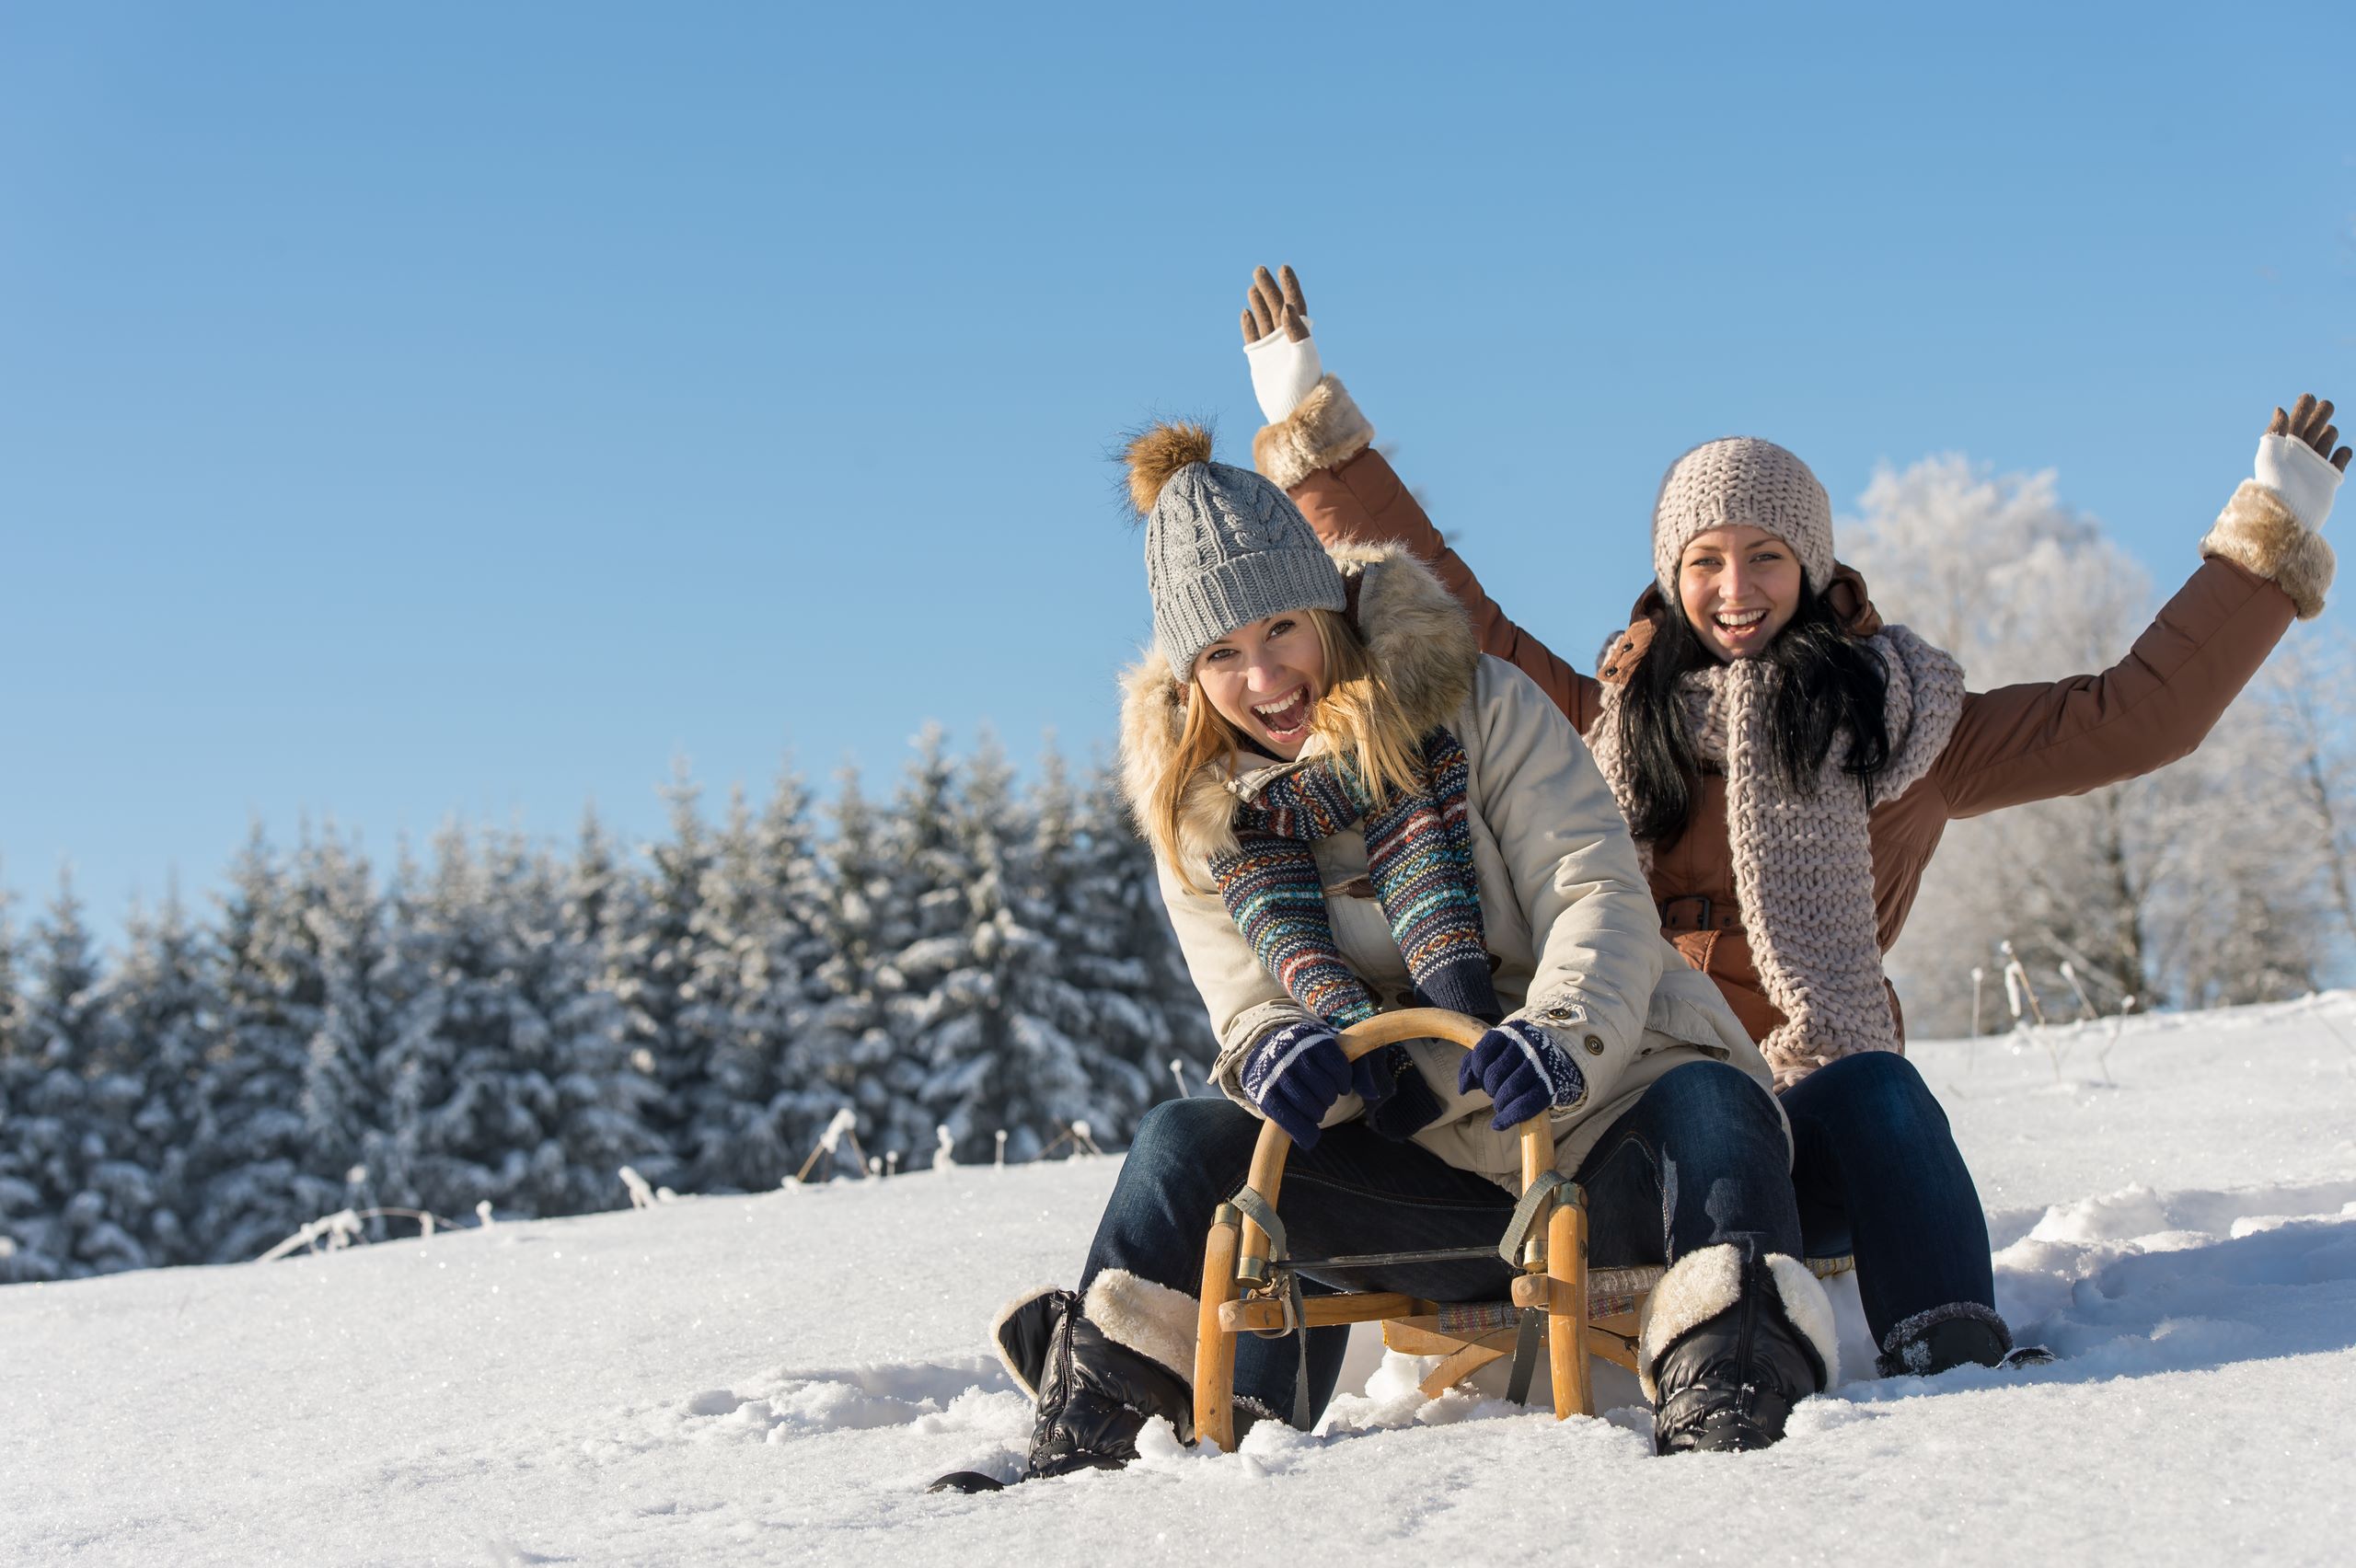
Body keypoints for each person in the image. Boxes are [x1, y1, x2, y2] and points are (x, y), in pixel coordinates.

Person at [1230, 263, 2345, 1378]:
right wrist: (1309, 422)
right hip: (1627, 1111)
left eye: (1765, 556)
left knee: (1883, 1092)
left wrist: (2265, 546)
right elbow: (1455, 610)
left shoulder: (1907, 729)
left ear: (1810, 569)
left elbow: (2130, 716)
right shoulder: (1597, 722)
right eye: (1704, 562)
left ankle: (1951, 1347)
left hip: (1806, 1122)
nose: (1735, 588)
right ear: (1669, 581)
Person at [934, 421, 1844, 1492]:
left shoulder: (1478, 704)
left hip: (1603, 1136)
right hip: (1424, 1183)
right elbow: (1245, 1000)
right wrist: (1277, 1047)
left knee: (1713, 1100)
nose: (1264, 677)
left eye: (1281, 628)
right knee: (1184, 1142)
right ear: (1188, 674)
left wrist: (1556, 1039)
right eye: (1222, 654)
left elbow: (1593, 890)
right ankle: (1089, 1438)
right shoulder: (1200, 815)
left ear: (1326, 609)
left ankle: (1734, 1398)